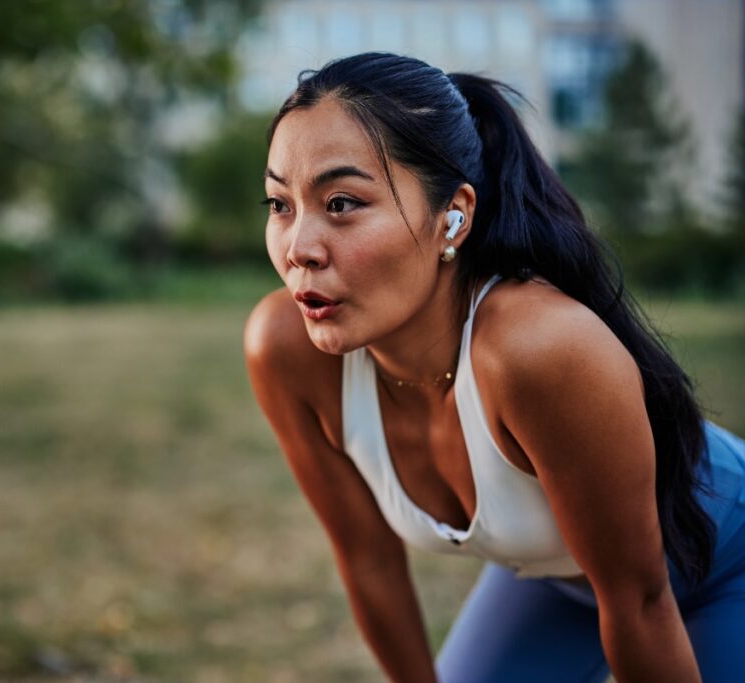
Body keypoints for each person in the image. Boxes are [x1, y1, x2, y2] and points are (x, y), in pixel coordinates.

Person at [244, 53, 745, 683]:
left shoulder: (538, 350)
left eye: (341, 203)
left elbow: (641, 601)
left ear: (453, 214)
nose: (299, 249)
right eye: (279, 204)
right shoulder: (287, 349)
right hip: (562, 586)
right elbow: (369, 560)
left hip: (726, 560)